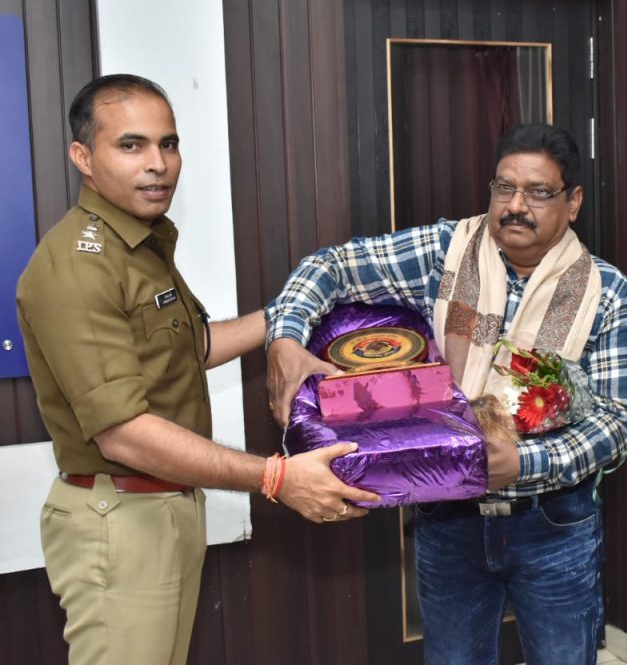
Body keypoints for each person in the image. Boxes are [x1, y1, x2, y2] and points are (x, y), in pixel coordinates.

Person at [16, 74, 378, 665]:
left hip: (163, 507)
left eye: (169, 143)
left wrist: (289, 319)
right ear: (83, 157)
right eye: (131, 145)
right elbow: (123, 433)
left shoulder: (138, 245)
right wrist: (276, 477)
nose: (158, 164)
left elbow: (191, 347)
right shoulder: (80, 265)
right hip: (122, 518)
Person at [264, 122, 627, 665]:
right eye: (504, 187)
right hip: (448, 517)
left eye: (539, 192)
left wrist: (525, 462)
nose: (516, 206)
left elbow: (619, 417)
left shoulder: (605, 291)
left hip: (554, 523)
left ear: (574, 201)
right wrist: (285, 336)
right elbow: (332, 266)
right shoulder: (447, 251)